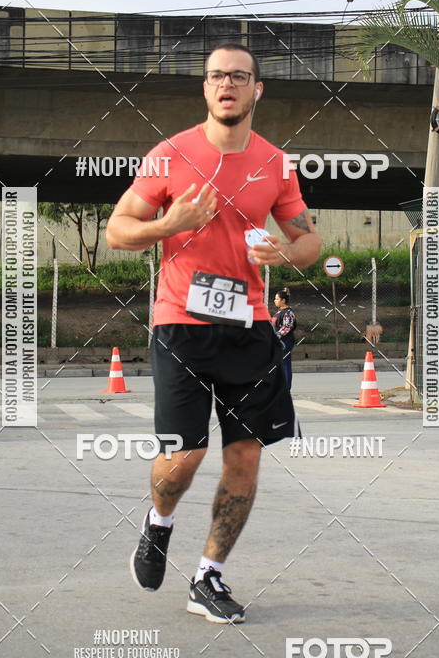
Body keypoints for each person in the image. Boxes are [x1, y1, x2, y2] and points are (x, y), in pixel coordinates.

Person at [106, 43, 321, 624]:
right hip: (181, 322)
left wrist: (290, 251)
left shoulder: (276, 163)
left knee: (245, 454)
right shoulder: (169, 154)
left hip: (248, 326)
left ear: (257, 90)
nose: (227, 84)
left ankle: (209, 575)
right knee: (183, 455)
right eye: (216, 76)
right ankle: (158, 521)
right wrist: (168, 224)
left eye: (239, 76)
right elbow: (117, 230)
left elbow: (309, 240)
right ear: (205, 89)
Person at [272, 288, 297, 390]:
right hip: (278, 341)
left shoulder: (288, 312)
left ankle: (286, 389)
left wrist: (277, 335)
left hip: (285, 341)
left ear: (283, 300)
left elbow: (287, 327)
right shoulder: (279, 312)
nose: (275, 301)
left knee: (285, 364)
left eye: (277, 299)